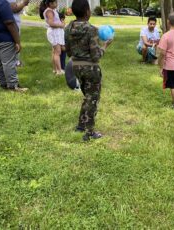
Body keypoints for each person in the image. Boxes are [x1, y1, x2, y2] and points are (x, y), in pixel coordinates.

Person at [64, 0, 112, 141]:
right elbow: (96, 56)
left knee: (87, 97)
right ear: (87, 12)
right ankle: (90, 133)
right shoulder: (92, 30)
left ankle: (81, 125)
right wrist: (105, 46)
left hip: (76, 67)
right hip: (91, 69)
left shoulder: (68, 28)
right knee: (92, 99)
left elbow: (67, 52)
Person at [39, 0, 65, 75]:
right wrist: (61, 25)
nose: (57, 4)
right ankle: (59, 71)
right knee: (58, 52)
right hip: (54, 33)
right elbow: (51, 23)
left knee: (54, 52)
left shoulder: (52, 10)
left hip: (55, 32)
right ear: (50, 3)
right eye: (55, 2)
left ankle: (55, 69)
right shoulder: (49, 11)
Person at [7, 0, 29, 67]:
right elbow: (14, 9)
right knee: (15, 43)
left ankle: (15, 61)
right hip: (12, 23)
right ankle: (15, 62)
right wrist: (24, 3)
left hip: (13, 22)